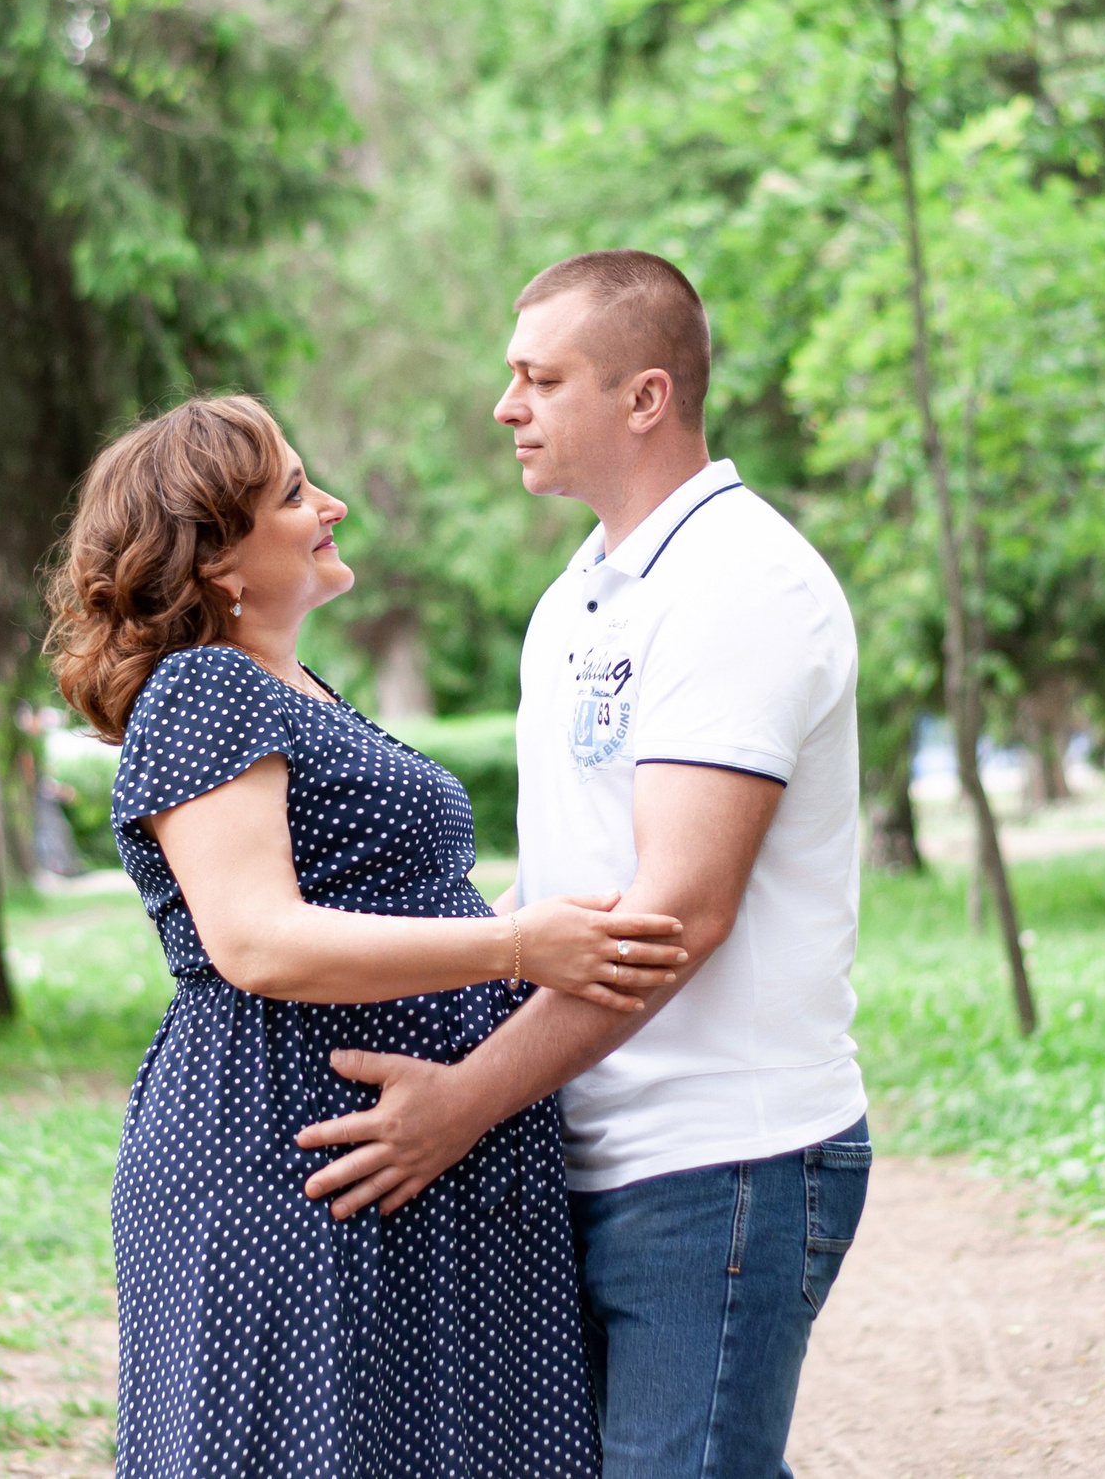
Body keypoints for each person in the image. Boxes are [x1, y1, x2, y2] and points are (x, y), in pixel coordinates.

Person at [298, 250, 872, 1479]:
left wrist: (462, 1103)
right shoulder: (579, 597)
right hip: (586, 1146)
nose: (505, 406)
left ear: (644, 397)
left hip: (722, 1161)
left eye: (538, 378)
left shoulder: (741, 585)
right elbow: (557, 883)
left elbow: (676, 914)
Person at [46, 393, 693, 1479]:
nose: (331, 505)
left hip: (389, 1157)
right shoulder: (206, 689)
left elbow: (376, 898)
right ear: (216, 562)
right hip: (287, 1158)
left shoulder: (291, 690)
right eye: (294, 493)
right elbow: (255, 941)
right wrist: (514, 949)